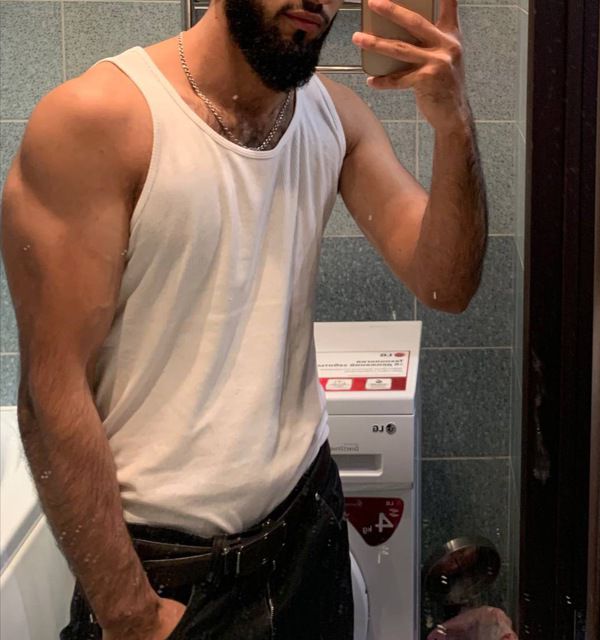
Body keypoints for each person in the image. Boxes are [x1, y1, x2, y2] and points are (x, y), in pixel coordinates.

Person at [0, 0, 487, 636]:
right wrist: (129, 614)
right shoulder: (99, 121)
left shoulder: (334, 118)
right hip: (167, 573)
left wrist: (454, 124)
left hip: (309, 534)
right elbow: (50, 393)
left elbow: (445, 283)